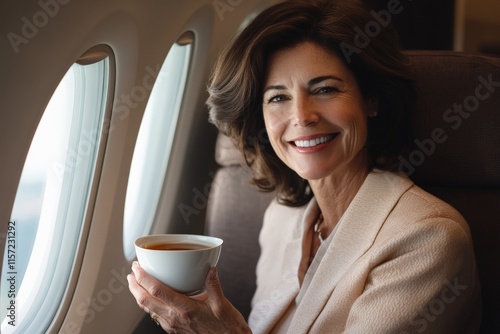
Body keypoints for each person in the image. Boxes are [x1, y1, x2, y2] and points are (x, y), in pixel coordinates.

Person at [127, 0, 482, 333]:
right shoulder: (282, 218)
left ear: (372, 99)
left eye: (325, 89)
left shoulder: (428, 239)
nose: (302, 117)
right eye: (278, 97)